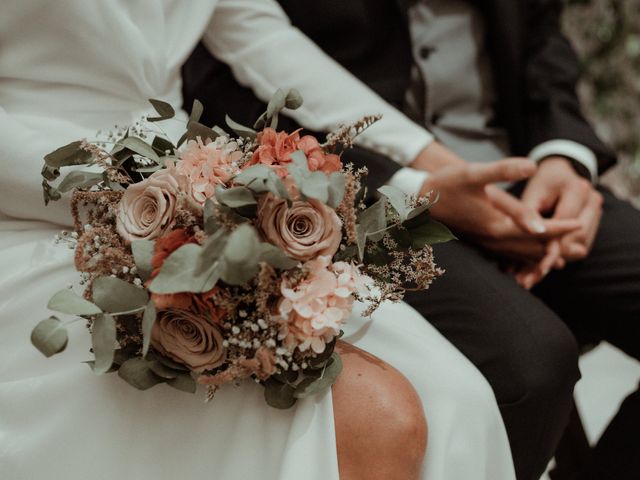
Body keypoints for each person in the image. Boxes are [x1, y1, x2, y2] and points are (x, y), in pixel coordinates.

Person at [0, 1, 518, 479]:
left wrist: (434, 162)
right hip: (41, 199)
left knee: (455, 400)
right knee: (368, 415)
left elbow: (260, 34)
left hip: (197, 174)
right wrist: (143, 192)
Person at [182, 1, 640, 479]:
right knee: (530, 368)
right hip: (353, 194)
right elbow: (229, 84)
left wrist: (565, 159)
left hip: (521, 176)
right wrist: (410, 186)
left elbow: (541, 38)